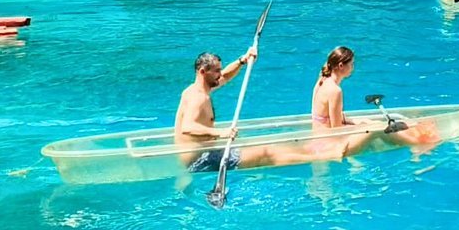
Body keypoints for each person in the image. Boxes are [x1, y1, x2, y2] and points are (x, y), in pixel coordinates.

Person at [174, 49, 314, 172]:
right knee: (265, 153)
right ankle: (318, 158)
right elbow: (188, 127)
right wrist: (221, 132)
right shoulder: (198, 97)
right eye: (216, 71)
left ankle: (310, 154)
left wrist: (242, 60)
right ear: (203, 72)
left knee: (267, 148)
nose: (220, 74)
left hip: (206, 154)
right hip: (199, 162)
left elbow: (226, 76)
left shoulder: (200, 89)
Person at [311, 46, 439, 158]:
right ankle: (417, 143)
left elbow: (328, 117)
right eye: (352, 64)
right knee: (377, 128)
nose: (353, 68)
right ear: (341, 66)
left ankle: (411, 137)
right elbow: (336, 130)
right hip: (329, 143)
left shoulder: (322, 79)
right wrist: (361, 127)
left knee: (370, 122)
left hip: (319, 136)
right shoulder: (335, 90)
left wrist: (357, 121)